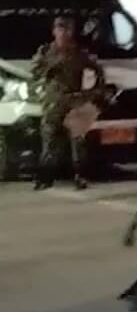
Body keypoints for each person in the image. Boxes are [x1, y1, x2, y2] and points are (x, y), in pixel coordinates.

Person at [31, 14, 105, 190]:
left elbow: (98, 73)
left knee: (78, 141)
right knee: (49, 140)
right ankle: (45, 177)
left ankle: (80, 176)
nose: (64, 32)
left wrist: (92, 93)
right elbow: (34, 73)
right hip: (53, 101)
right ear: (54, 30)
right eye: (60, 28)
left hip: (75, 101)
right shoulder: (45, 51)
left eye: (68, 28)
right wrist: (47, 72)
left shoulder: (80, 53)